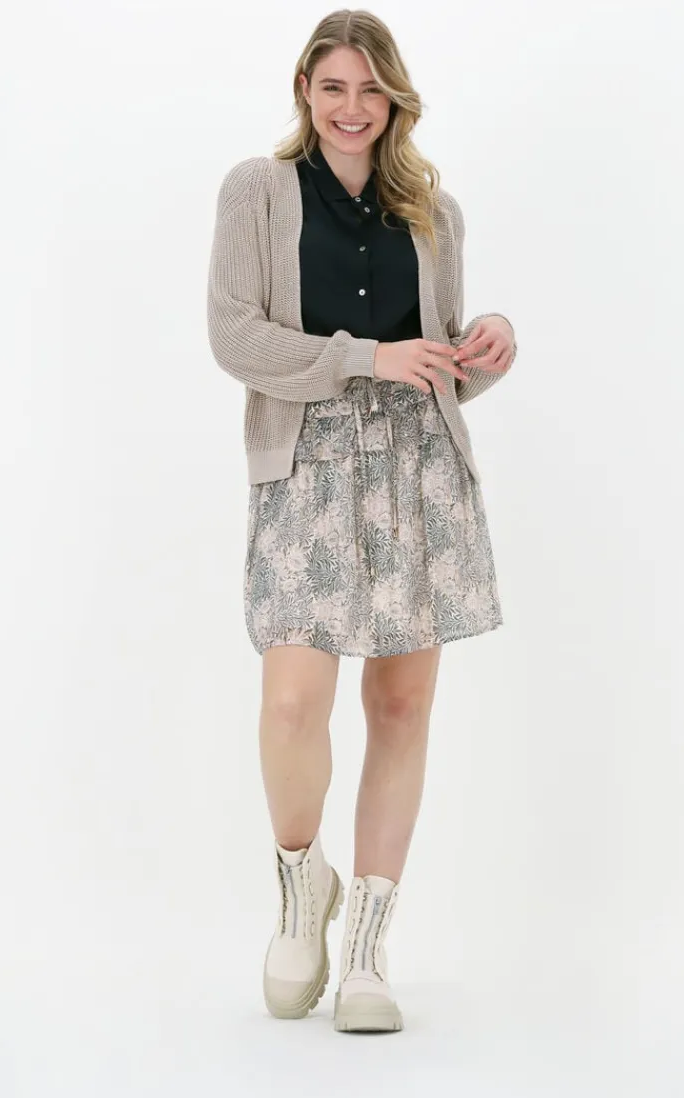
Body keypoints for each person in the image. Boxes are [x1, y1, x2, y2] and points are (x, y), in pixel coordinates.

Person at [206, 8, 517, 1033]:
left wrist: (484, 346)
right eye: (334, 87)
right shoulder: (257, 191)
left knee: (401, 705)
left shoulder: (434, 211)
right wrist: (361, 357)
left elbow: (438, 364)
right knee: (294, 701)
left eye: (370, 89)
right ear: (305, 90)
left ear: (395, 98)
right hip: (307, 467)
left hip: (419, 468)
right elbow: (235, 337)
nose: (352, 108)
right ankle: (304, 887)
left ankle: (370, 952)